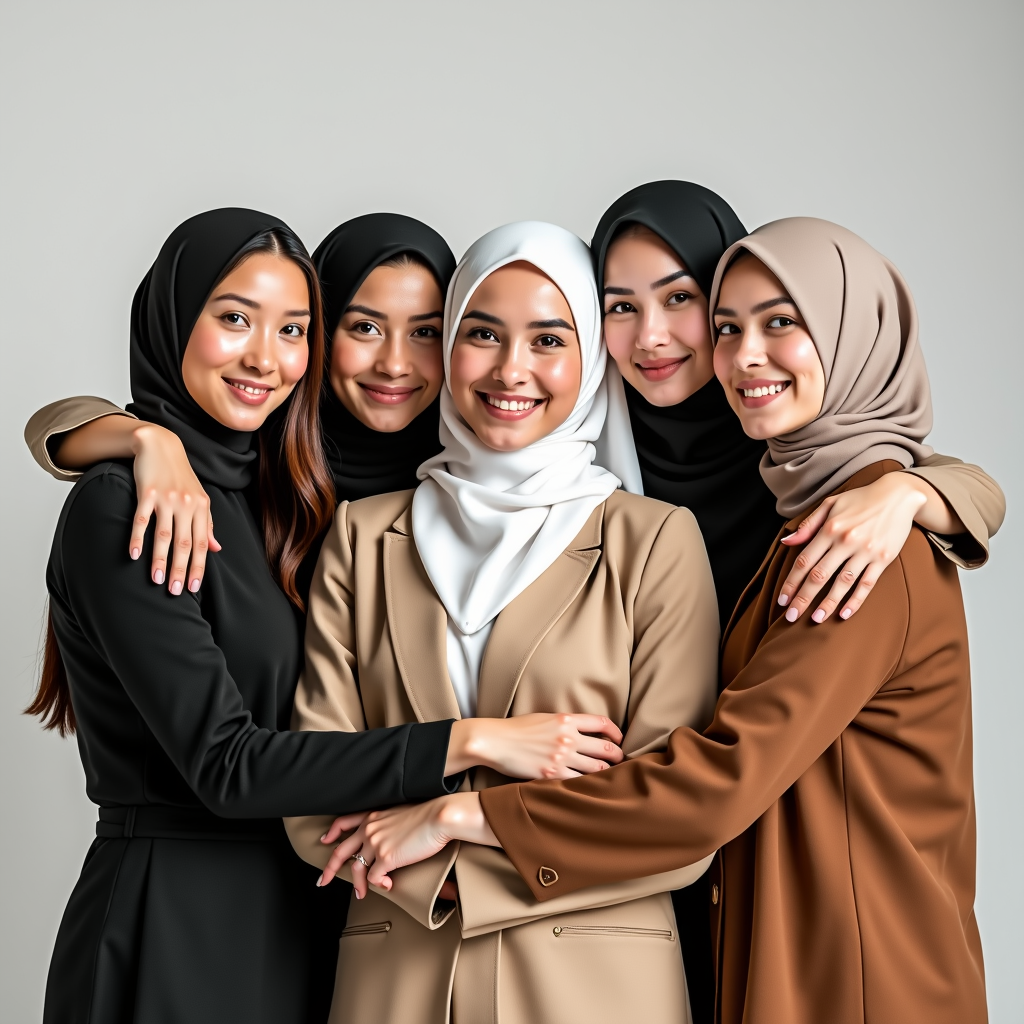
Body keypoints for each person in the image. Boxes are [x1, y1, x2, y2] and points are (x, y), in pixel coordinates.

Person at [334, 218, 990, 1023]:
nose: (744, 355)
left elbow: (713, 783)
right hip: (769, 931)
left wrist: (461, 813)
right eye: (727, 327)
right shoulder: (797, 501)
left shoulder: (853, 541)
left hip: (852, 957)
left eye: (782, 321)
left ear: (857, 334)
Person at [29, 209, 621, 1024]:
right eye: (233, 317)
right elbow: (226, 764)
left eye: (292, 329)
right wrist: (472, 740)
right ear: (173, 317)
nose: (265, 357)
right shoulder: (137, 502)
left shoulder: (295, 493)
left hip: (327, 913)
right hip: (182, 916)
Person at [286, 221, 720, 1024]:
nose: (510, 369)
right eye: (482, 334)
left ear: (591, 358)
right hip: (396, 980)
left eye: (548, 339)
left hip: (596, 991)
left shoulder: (652, 539)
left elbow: (675, 815)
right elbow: (316, 791)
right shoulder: (364, 535)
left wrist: (448, 832)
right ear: (448, 344)